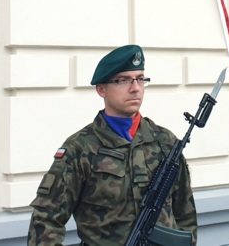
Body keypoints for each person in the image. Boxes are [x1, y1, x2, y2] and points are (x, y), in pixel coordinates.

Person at [28, 45, 197, 246]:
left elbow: (185, 214)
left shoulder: (165, 142)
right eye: (123, 80)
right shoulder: (80, 149)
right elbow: (46, 220)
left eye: (140, 79)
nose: (135, 88)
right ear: (102, 89)